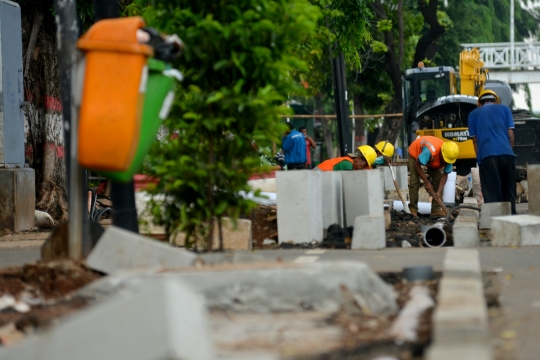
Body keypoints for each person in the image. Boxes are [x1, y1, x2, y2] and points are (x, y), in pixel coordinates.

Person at [468, 90, 517, 214]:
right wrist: (509, 153)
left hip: (487, 155)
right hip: (507, 154)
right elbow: (510, 135)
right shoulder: (505, 109)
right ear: (496, 101)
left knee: (492, 190)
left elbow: (475, 141)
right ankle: (511, 217)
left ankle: (495, 220)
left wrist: (479, 160)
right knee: (509, 190)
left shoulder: (473, 114)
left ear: (480, 103)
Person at [408, 136, 459, 218]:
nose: (446, 162)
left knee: (438, 179)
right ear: (442, 153)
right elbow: (416, 165)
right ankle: (413, 209)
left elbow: (445, 175)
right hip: (415, 153)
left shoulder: (449, 156)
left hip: (432, 160)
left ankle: (435, 210)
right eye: (445, 160)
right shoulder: (430, 151)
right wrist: (426, 182)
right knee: (415, 181)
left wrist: (438, 192)